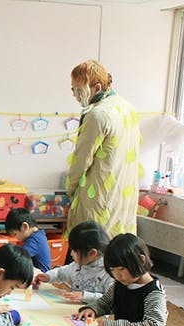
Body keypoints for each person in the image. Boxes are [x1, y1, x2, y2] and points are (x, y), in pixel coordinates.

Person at [65, 60, 142, 238]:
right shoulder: (127, 107)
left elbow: (81, 159)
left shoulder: (97, 114)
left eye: (79, 91)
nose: (76, 96)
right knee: (118, 245)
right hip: (124, 196)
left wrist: (70, 190)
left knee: (94, 245)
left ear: (97, 87)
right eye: (73, 90)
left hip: (99, 195)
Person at [5, 207, 51, 273]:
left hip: (40, 276)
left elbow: (18, 257)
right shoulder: (38, 235)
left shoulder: (35, 240)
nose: (16, 238)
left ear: (25, 227)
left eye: (15, 234)